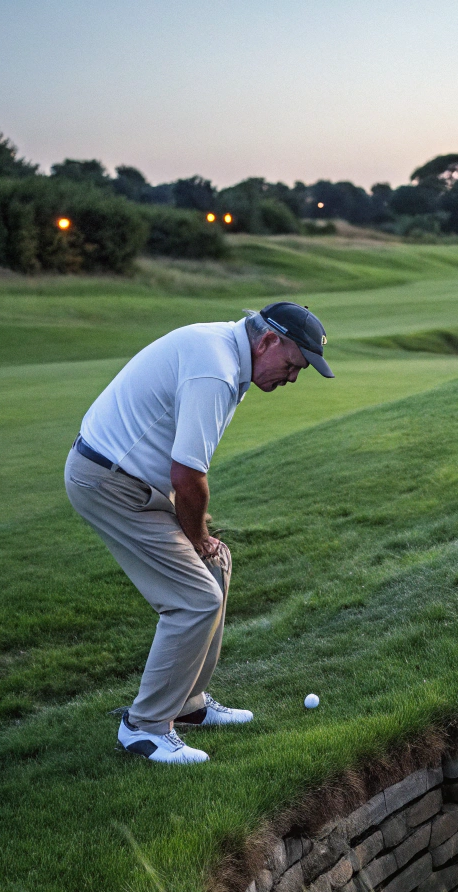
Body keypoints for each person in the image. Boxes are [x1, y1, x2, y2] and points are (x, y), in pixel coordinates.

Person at [66, 302, 333, 764]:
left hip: (136, 480)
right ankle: (144, 728)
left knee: (216, 565)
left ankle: (187, 705)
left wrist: (202, 539)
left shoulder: (229, 356)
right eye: (292, 365)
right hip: (108, 481)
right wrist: (195, 536)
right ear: (268, 341)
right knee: (195, 598)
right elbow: (188, 475)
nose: (292, 377)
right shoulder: (216, 369)